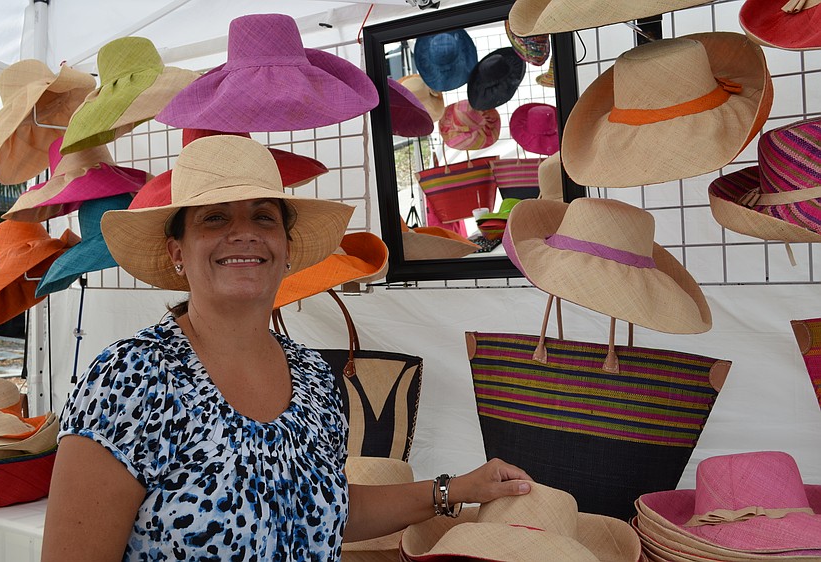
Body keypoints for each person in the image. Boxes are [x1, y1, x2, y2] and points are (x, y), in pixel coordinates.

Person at [41, 135, 532, 561]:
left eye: (264, 217)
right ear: (177, 253)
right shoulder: (132, 378)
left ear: (286, 247)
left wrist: (455, 489)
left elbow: (326, 508)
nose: (244, 233)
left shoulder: (314, 378)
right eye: (214, 219)